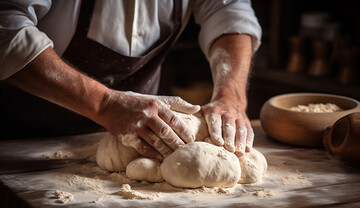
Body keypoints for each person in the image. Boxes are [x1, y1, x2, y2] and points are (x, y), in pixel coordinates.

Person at [0, 0, 261, 159]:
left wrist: (231, 97)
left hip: (141, 139)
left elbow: (229, 11)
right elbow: (6, 27)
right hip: (20, 140)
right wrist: (104, 103)